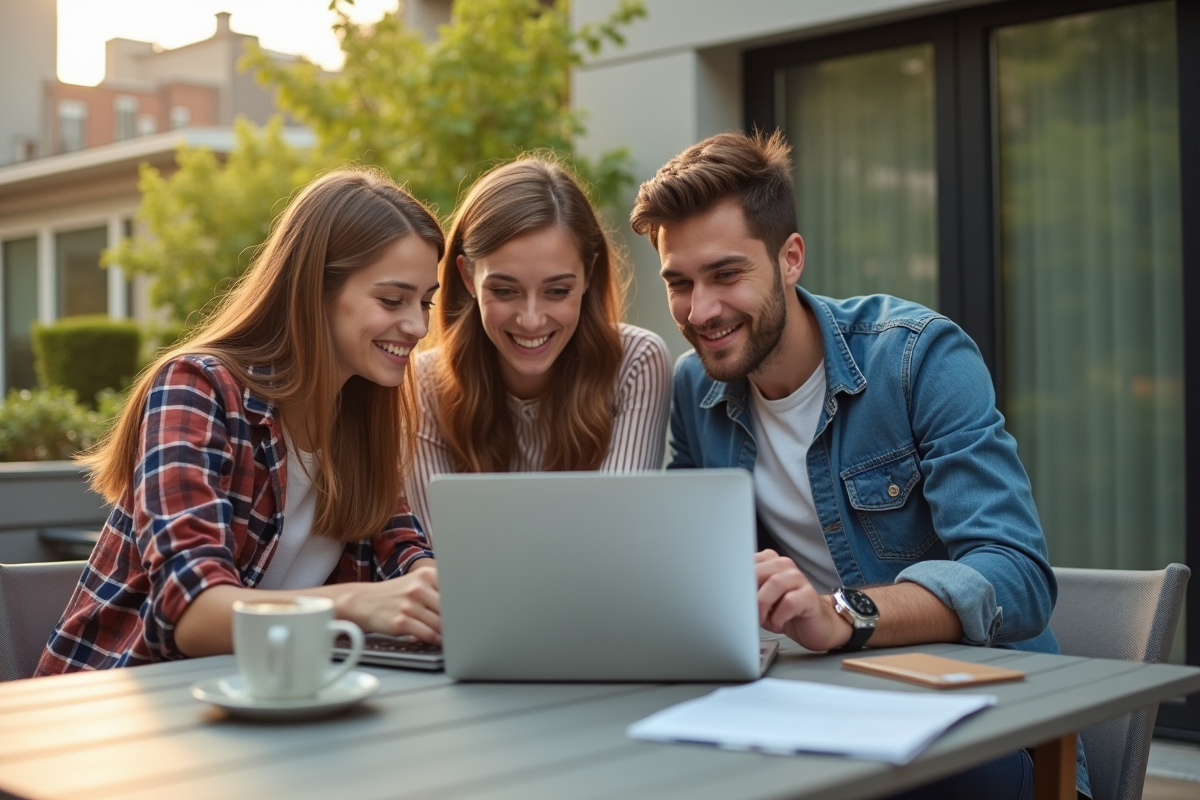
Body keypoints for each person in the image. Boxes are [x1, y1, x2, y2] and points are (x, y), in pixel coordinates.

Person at [629, 131, 1089, 800]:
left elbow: (1015, 577)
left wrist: (845, 613)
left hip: (983, 731)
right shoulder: (692, 390)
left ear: (791, 259)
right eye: (680, 283)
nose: (700, 311)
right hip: (810, 716)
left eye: (726, 275)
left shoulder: (918, 359)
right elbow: (693, 571)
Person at [37, 168, 445, 674]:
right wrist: (352, 604)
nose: (419, 325)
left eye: (425, 301)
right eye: (392, 300)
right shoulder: (196, 389)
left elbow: (403, 552)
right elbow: (192, 609)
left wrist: (433, 590)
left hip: (259, 706)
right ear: (315, 289)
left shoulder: (357, 424)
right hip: (114, 709)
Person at [406, 157, 671, 532]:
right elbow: (440, 557)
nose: (531, 319)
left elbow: (615, 538)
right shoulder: (422, 383)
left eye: (557, 290)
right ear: (467, 277)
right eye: (504, 290)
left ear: (589, 275)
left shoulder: (637, 361)